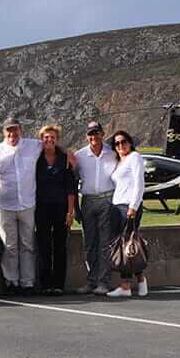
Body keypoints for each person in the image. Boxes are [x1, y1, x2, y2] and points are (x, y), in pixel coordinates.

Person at [0, 115, 45, 294]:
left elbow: (52, 145)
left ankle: (27, 282)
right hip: (5, 204)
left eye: (15, 129)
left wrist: (69, 155)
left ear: (20, 130)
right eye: (8, 130)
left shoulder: (34, 145)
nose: (12, 133)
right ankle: (11, 281)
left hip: (28, 203)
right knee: (9, 245)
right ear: (4, 132)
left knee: (27, 244)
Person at [73, 121, 119, 295]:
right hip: (88, 201)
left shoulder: (112, 152)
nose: (94, 137)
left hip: (108, 200)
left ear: (102, 133)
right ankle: (91, 281)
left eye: (97, 133)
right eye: (91, 134)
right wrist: (76, 208)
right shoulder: (80, 156)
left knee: (105, 243)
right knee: (90, 243)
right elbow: (73, 182)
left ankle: (104, 282)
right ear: (87, 136)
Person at [34, 125, 77, 295]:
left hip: (61, 208)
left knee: (60, 247)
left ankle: (58, 284)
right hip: (41, 208)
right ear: (41, 139)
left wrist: (70, 211)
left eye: (52, 137)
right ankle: (45, 284)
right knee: (43, 246)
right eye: (46, 137)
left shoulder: (64, 158)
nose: (49, 140)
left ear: (57, 140)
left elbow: (70, 187)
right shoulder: (36, 159)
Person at [108, 131, 148, 298]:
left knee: (127, 246)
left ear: (130, 142)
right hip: (118, 207)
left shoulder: (134, 157)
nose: (120, 146)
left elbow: (139, 183)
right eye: (116, 144)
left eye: (123, 142)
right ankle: (140, 280)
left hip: (129, 207)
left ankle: (125, 285)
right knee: (127, 246)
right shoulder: (120, 161)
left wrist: (133, 206)